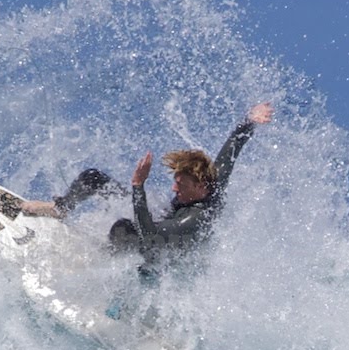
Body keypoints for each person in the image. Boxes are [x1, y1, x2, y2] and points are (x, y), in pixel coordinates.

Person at [22, 102, 273, 257]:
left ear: (199, 186)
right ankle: (60, 209)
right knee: (93, 178)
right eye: (176, 181)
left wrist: (138, 187)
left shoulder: (196, 216)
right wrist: (249, 120)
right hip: (161, 227)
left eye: (181, 185)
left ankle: (101, 265)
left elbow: (150, 235)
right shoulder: (211, 180)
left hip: (170, 254)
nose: (174, 188)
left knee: (124, 229)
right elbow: (232, 149)